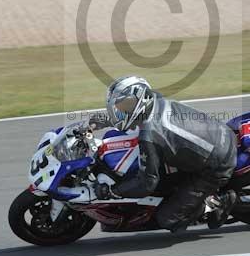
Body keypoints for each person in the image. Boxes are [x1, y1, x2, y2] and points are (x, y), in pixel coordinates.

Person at [88, 75, 237, 233]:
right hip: (219, 134)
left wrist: (113, 191)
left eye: (124, 107)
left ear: (140, 100)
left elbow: (147, 183)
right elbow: (134, 118)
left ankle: (217, 203)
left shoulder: (149, 135)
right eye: (118, 109)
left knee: (167, 218)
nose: (121, 112)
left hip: (216, 166)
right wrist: (109, 121)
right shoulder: (156, 101)